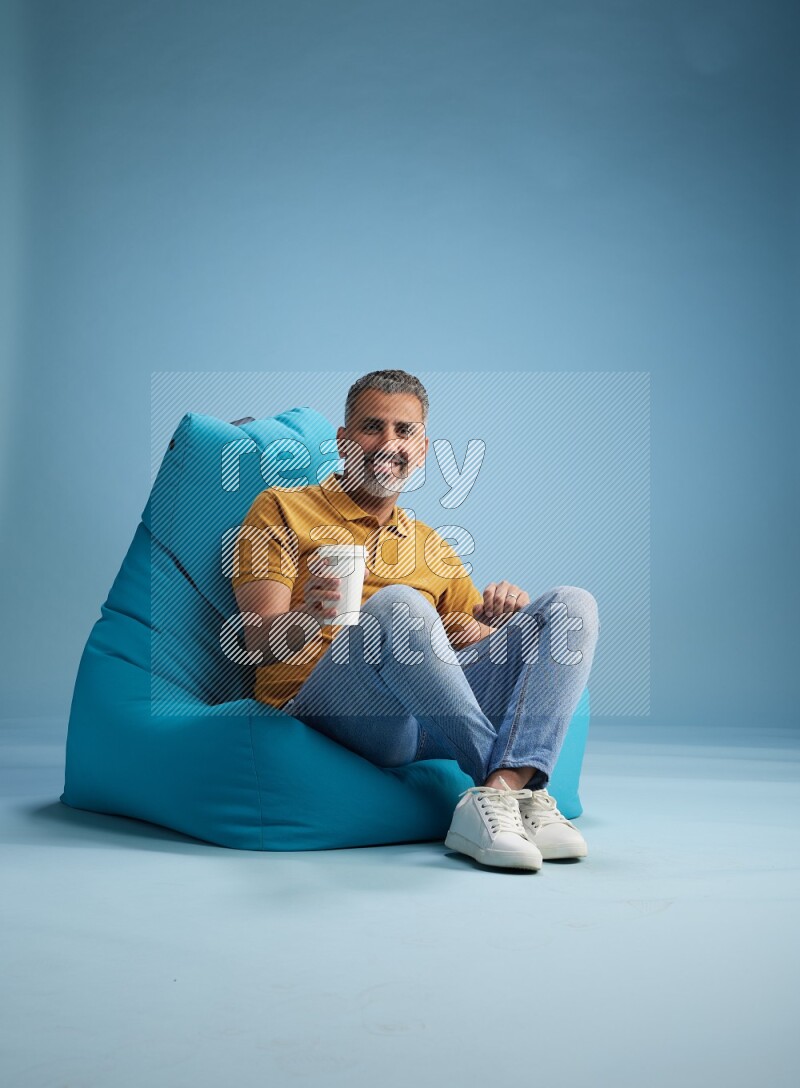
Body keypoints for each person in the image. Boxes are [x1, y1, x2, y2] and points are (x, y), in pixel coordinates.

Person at [231, 369, 600, 872]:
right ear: (343, 441)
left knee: (570, 605)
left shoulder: (432, 546)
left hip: (423, 722)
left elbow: (474, 651)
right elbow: (253, 638)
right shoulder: (280, 508)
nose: (389, 443)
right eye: (371, 427)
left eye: (404, 431)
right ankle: (514, 786)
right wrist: (302, 615)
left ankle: (502, 791)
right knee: (399, 605)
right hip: (328, 709)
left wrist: (489, 624)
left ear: (422, 449)